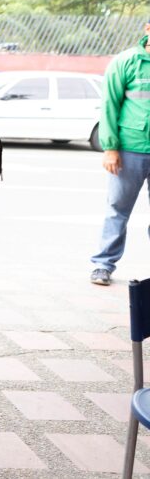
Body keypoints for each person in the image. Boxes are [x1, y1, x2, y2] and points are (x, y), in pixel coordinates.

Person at [90, 21, 150, 286]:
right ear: (147, 28)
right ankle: (103, 265)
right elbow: (109, 106)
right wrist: (111, 147)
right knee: (117, 210)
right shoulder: (126, 62)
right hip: (129, 150)